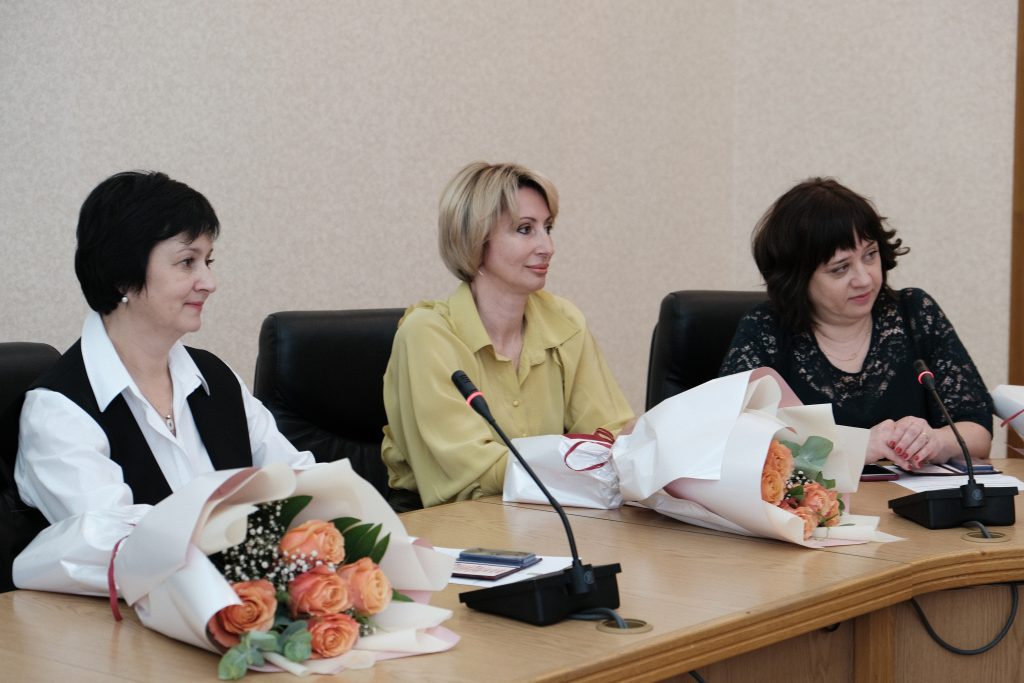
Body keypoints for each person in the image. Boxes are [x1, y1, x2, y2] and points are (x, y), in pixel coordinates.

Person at [14, 171, 314, 592]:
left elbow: (300, 482)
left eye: (208, 261)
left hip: (243, 606)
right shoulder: (58, 410)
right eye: (187, 262)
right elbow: (123, 547)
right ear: (122, 274)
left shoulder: (215, 377)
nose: (209, 282)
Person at [382, 162, 635, 508]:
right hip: (447, 521)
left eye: (548, 228)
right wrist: (577, 466)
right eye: (525, 229)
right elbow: (471, 472)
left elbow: (610, 434)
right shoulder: (427, 335)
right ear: (475, 240)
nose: (547, 246)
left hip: (551, 510)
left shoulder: (564, 321)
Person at [720, 178, 993, 469]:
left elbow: (978, 429)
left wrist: (938, 440)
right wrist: (854, 447)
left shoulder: (914, 313)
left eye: (870, 255)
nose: (864, 279)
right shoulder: (766, 329)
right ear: (798, 278)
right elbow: (733, 438)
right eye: (840, 268)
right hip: (814, 499)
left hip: (913, 497)